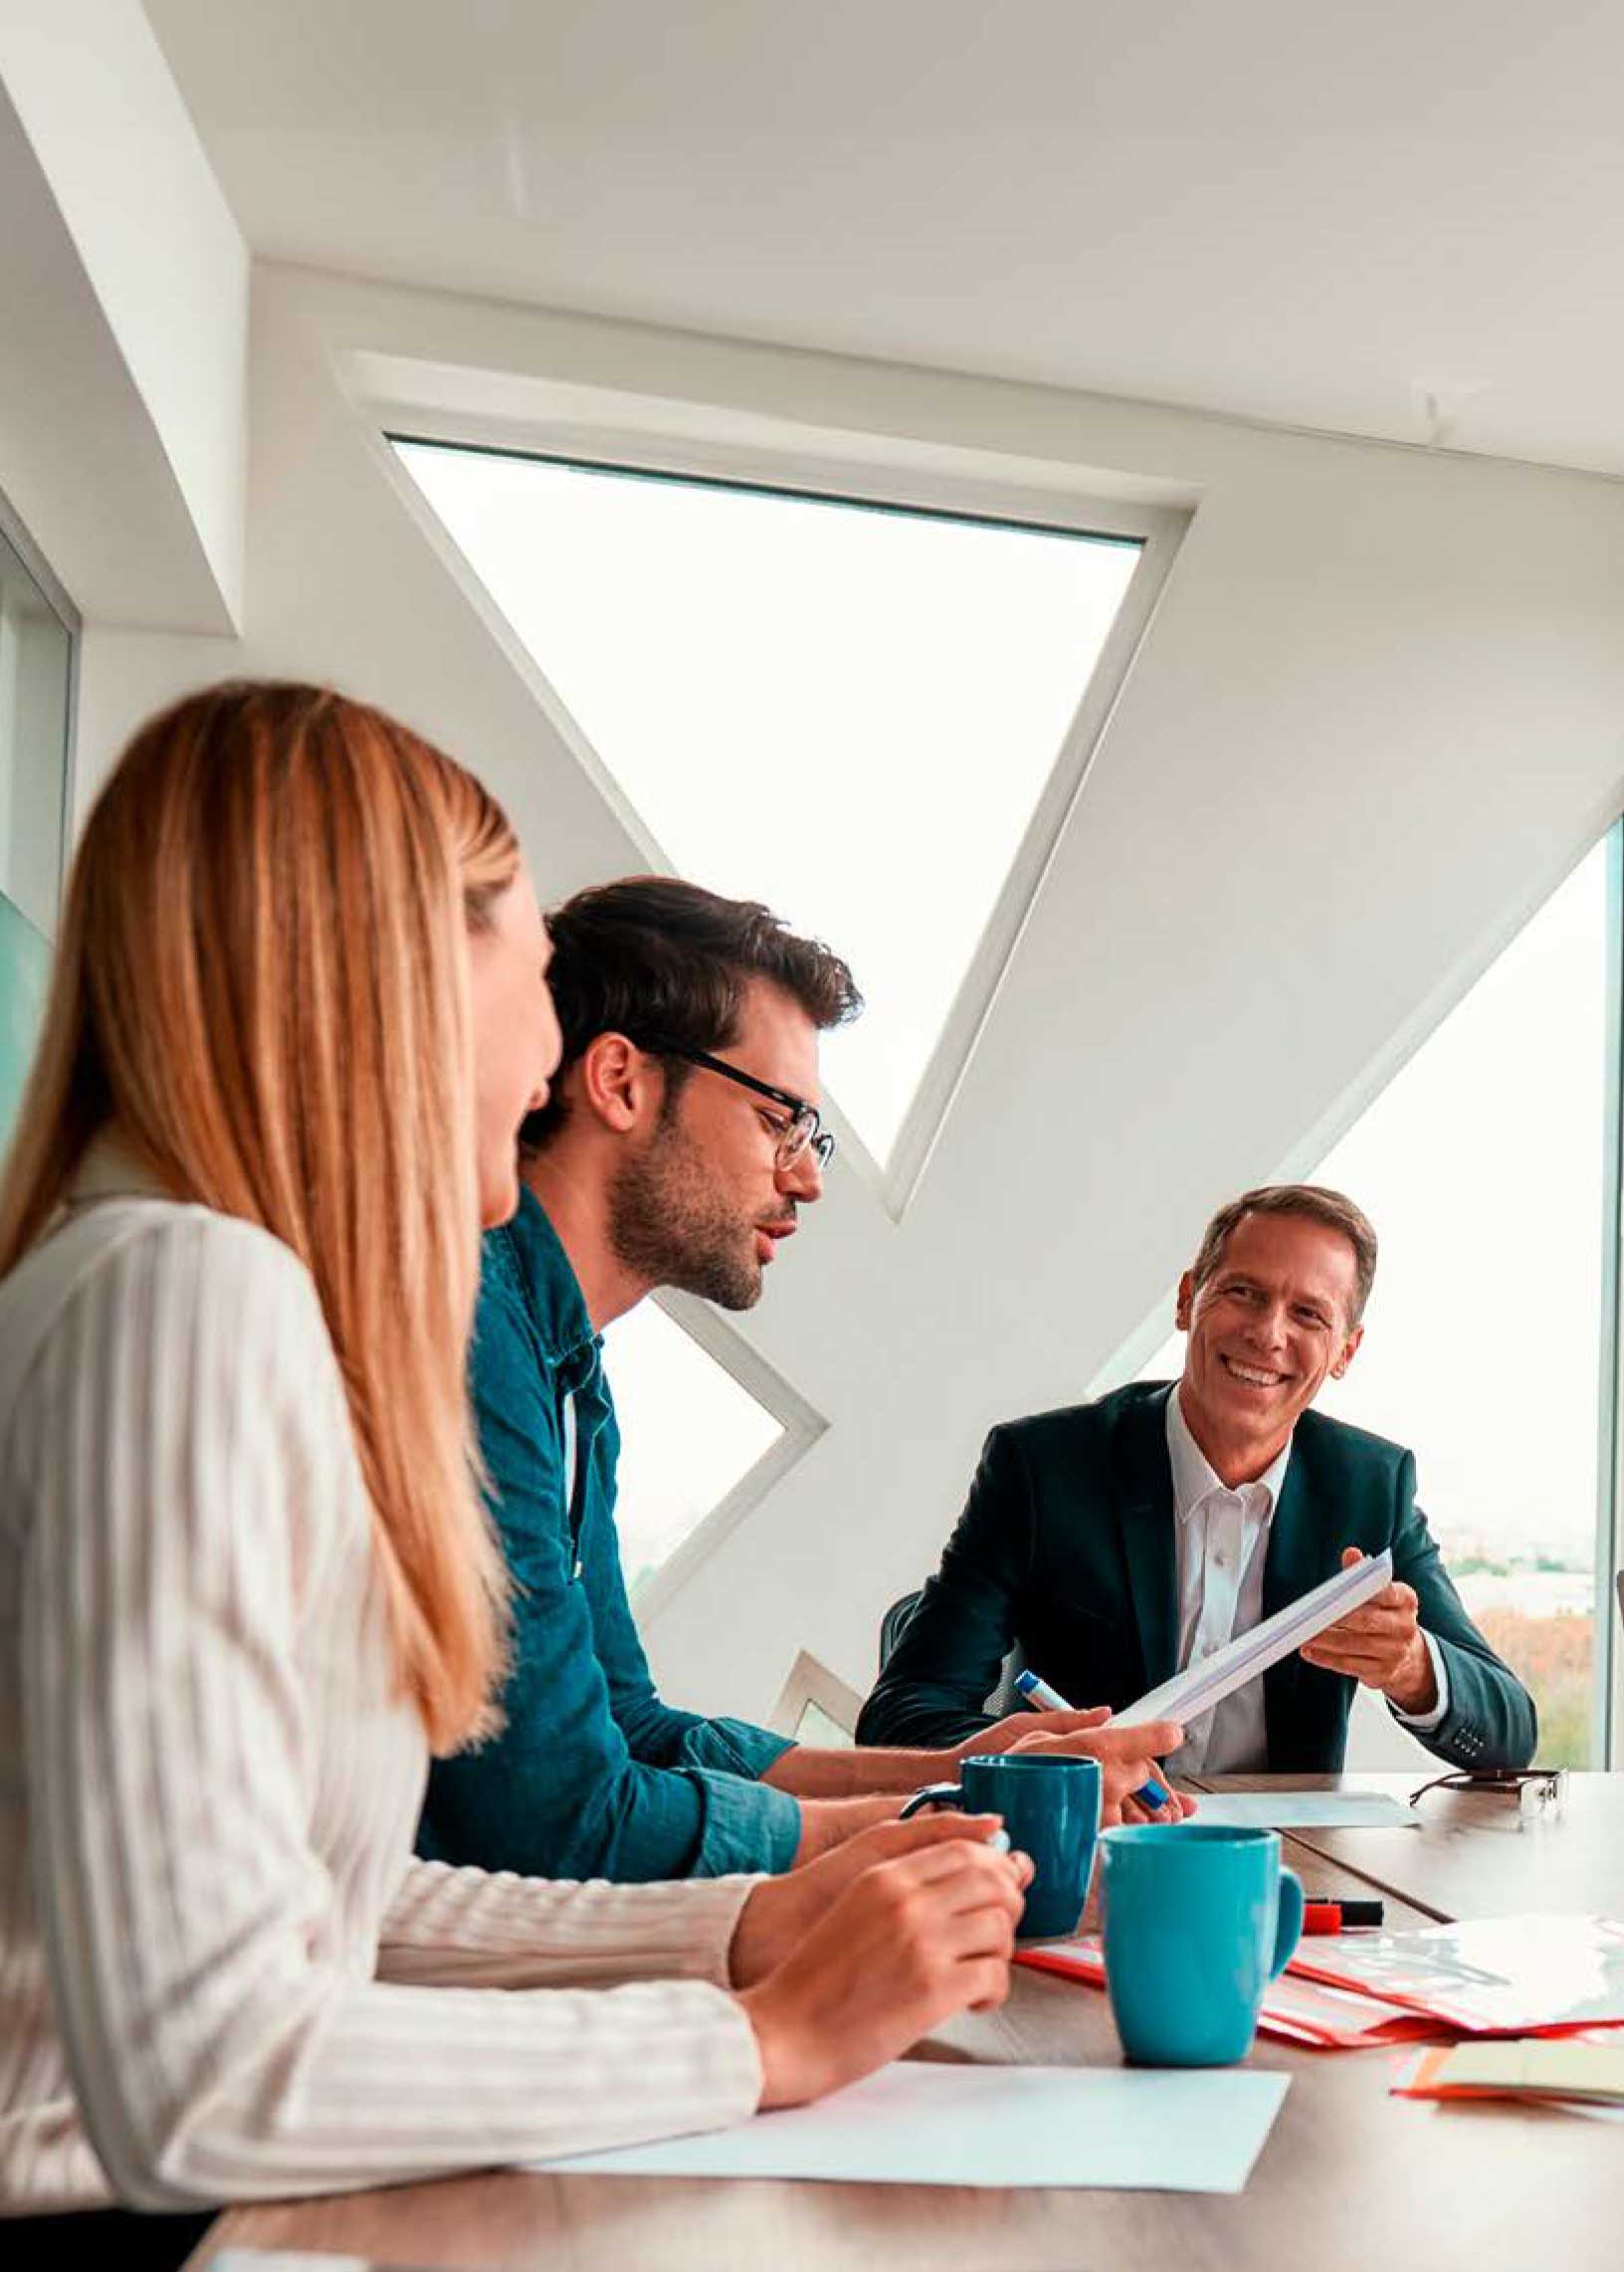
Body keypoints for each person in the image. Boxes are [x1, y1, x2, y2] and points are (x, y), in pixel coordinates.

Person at [0, 683, 1028, 2244]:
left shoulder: (175, 1276)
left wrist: (746, 1926)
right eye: (521, 962)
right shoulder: (185, 1295)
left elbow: (330, 1917)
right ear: (385, 975)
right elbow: (200, 2066)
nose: (544, 1038)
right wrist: (760, 2038)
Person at [415, 878, 1178, 1886]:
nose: (806, 1174)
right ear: (620, 1081)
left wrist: (960, 1767)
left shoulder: (568, 1374)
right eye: (781, 1118)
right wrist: (935, 1813)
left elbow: (630, 1725)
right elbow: (557, 1821)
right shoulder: (474, 1325)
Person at [860, 1184, 1537, 1775]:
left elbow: (1510, 1736)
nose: (1268, 1334)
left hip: (1280, 1864)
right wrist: (1040, 1763)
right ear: (1188, 1300)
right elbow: (904, 1713)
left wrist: (1412, 1668)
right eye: (1244, 1292)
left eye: (1308, 1315)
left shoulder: (1370, 1485)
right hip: (1089, 1844)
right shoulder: (1042, 1466)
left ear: (1345, 1352)